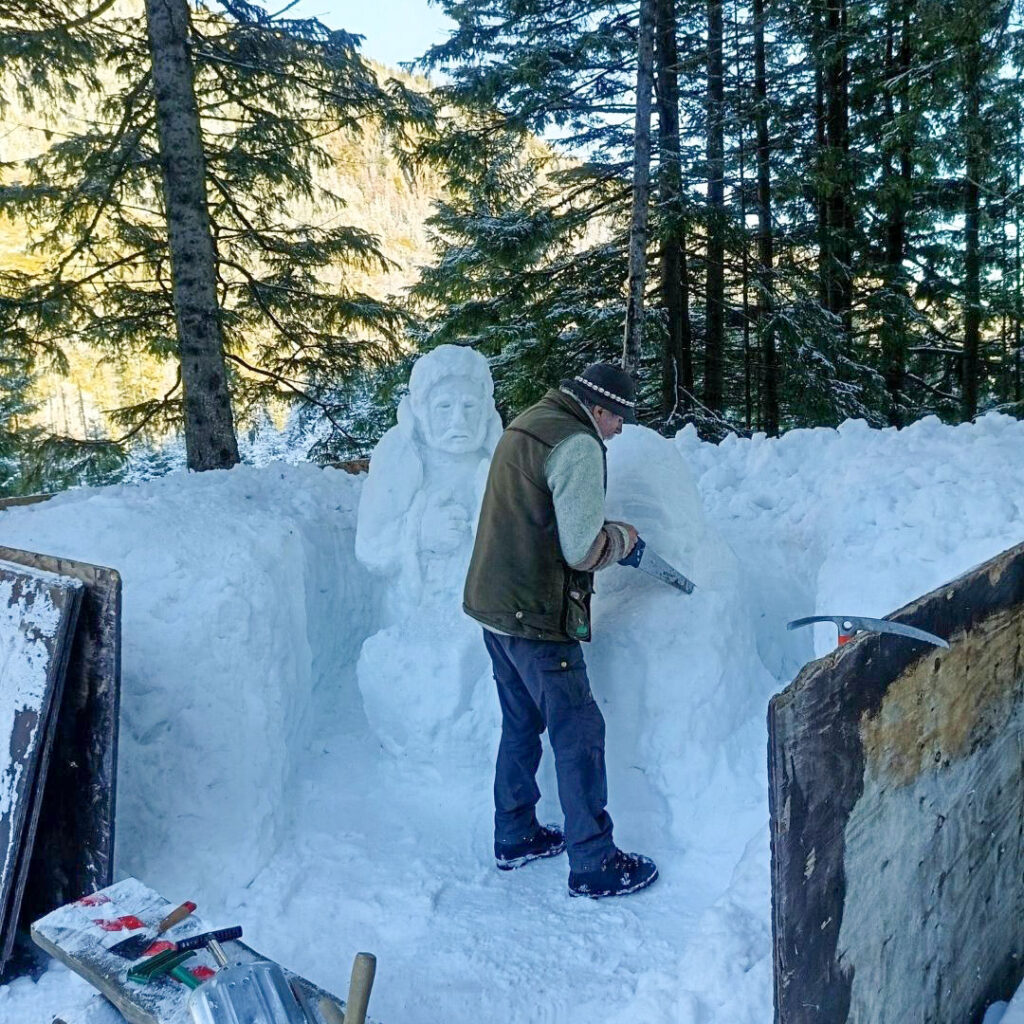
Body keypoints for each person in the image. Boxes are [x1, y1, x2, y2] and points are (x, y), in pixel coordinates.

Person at [463, 362, 659, 899]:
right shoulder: (576, 443)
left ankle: (516, 833)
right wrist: (621, 537)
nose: (619, 430)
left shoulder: (530, 420)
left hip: (494, 607)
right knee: (579, 734)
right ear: (598, 409)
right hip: (535, 616)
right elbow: (582, 548)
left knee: (521, 723)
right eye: (618, 418)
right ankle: (594, 862)